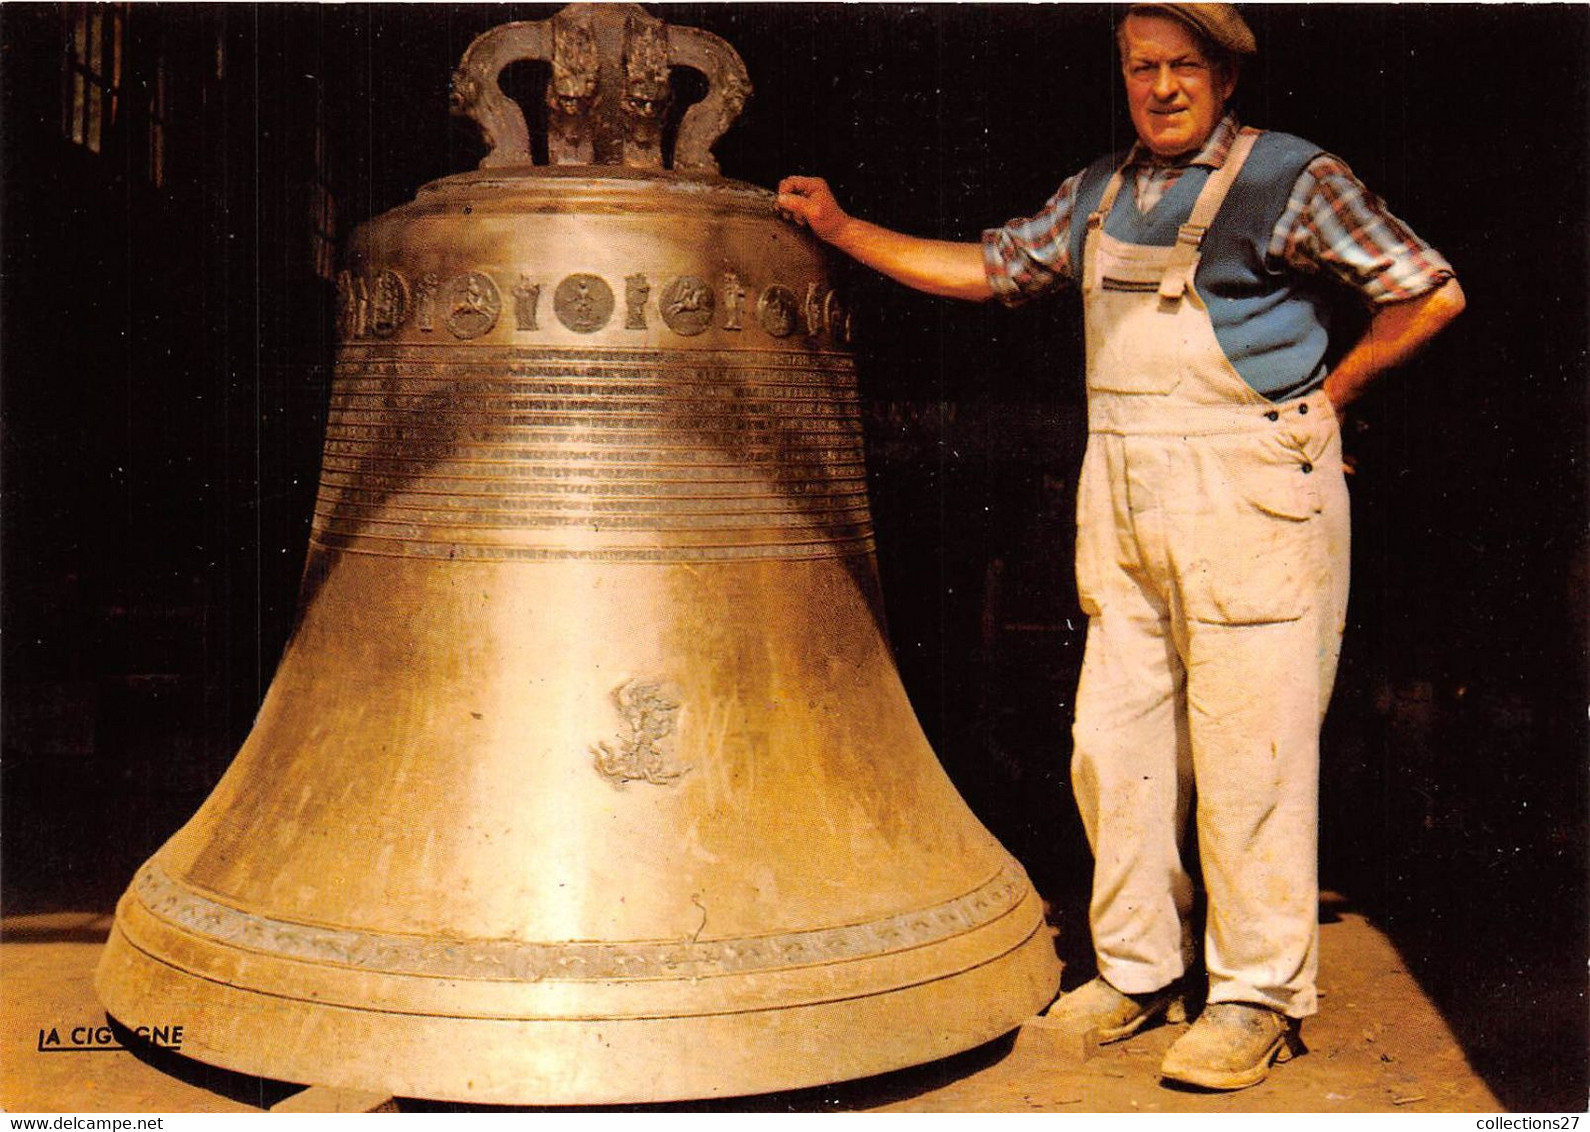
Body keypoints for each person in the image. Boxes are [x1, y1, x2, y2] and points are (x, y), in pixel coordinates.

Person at [777, 2, 1464, 1091]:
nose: (1161, 87)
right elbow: (992, 268)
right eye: (1142, 67)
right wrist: (848, 232)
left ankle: (1255, 997)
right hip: (1128, 486)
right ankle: (1138, 970)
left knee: (1253, 755)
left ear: (1227, 77)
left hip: (1250, 487)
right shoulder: (1100, 193)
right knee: (1114, 741)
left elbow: (1427, 290)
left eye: (1184, 66)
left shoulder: (1292, 177)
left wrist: (1328, 396)